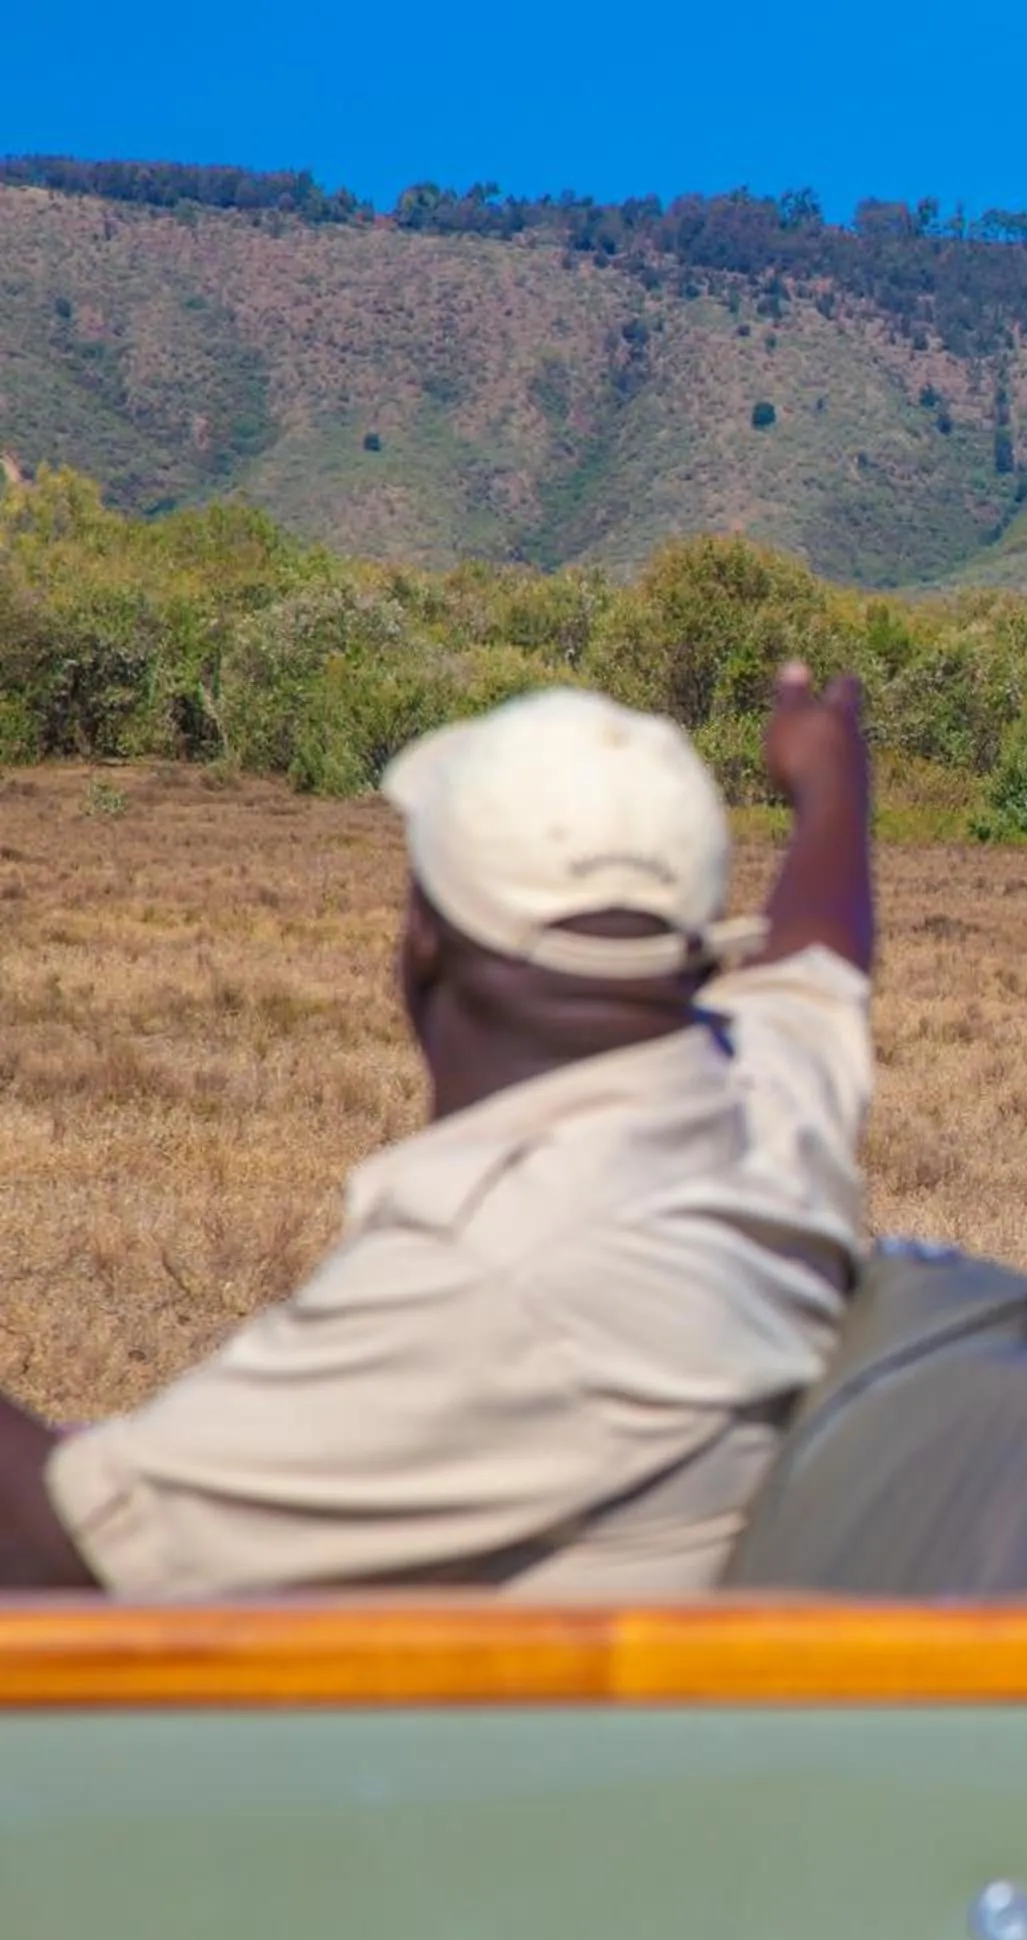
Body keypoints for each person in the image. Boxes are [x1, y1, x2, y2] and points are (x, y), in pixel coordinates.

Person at [0, 662, 876, 1596]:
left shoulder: (490, 1273)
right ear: (691, 950)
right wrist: (831, 785)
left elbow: (61, 1549)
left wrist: (831, 787)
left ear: (423, 941)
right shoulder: (764, 1103)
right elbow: (816, 950)